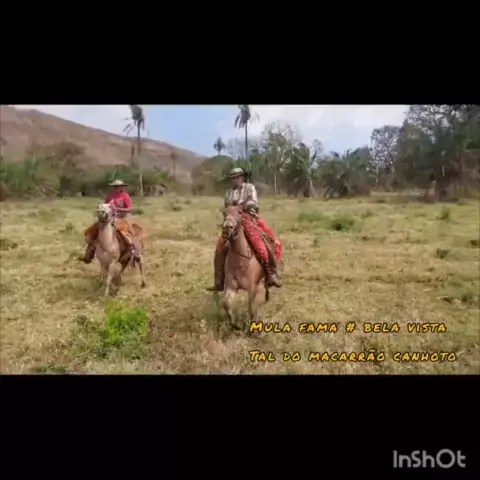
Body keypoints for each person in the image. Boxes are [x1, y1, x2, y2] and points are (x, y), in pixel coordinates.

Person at [210, 167, 282, 291]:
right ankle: (219, 280)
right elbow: (226, 206)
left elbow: (254, 202)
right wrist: (229, 213)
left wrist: (241, 205)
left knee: (262, 243)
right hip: (232, 220)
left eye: (237, 177)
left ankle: (271, 273)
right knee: (220, 247)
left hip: (248, 218)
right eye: (233, 178)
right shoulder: (229, 192)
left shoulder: (249, 188)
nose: (235, 179)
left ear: (242, 177)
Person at [79, 179, 140, 263]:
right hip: (109, 218)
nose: (117, 188)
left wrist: (117, 208)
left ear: (122, 187)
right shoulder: (110, 195)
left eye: (118, 186)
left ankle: (134, 251)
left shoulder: (125, 196)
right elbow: (106, 206)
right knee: (92, 231)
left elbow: (129, 209)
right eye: (115, 186)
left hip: (122, 218)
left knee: (126, 234)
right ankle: (88, 253)